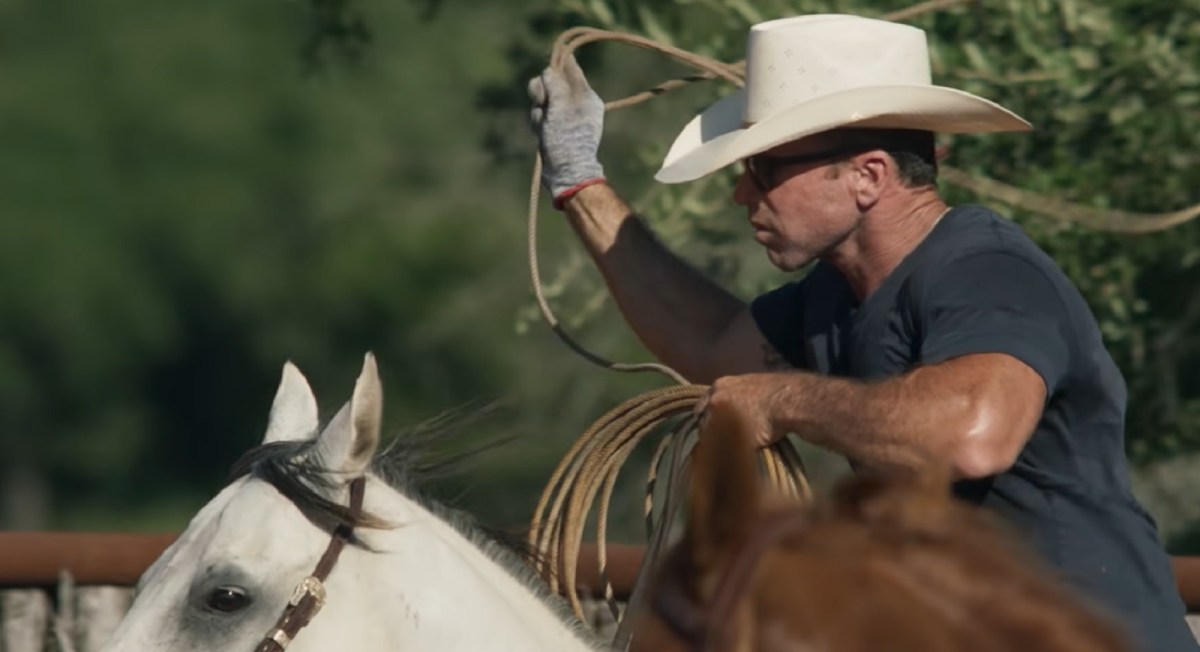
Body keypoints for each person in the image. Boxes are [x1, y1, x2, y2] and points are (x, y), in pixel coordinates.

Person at [527, 12, 1197, 652]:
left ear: (868, 176)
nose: (743, 195)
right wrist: (579, 180)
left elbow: (972, 438)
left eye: (763, 170)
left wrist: (782, 400)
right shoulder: (834, 298)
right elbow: (706, 344)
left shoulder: (985, 268)